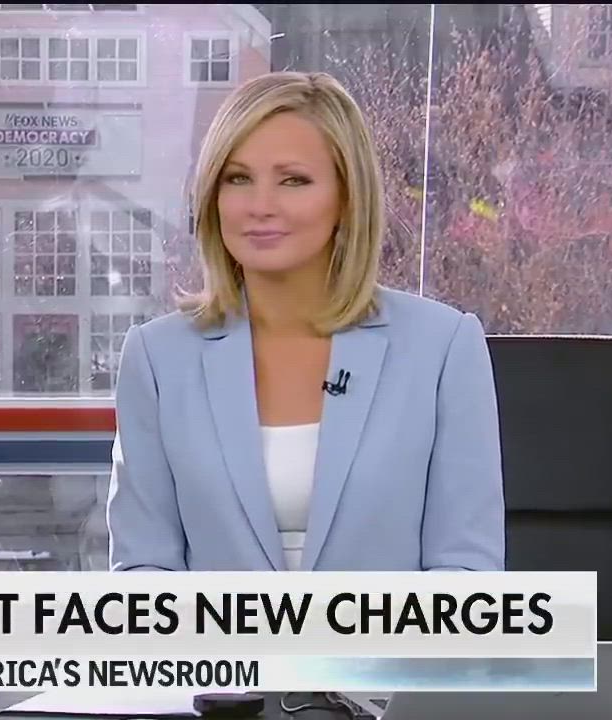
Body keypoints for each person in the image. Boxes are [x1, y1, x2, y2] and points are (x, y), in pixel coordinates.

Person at [106, 71, 505, 572]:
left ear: (347, 196)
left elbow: (467, 571)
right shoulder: (157, 358)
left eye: (293, 180)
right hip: (217, 630)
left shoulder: (443, 348)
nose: (260, 206)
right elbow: (143, 570)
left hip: (389, 628)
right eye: (238, 178)